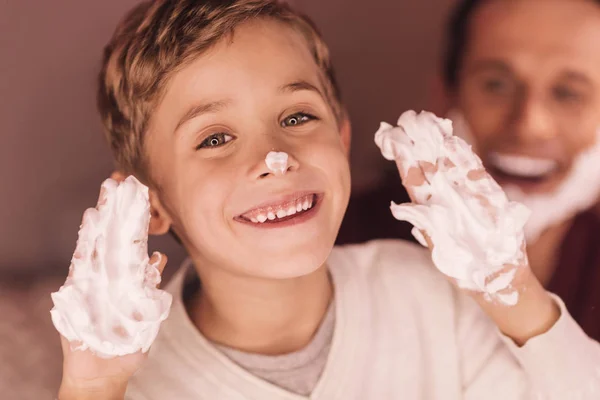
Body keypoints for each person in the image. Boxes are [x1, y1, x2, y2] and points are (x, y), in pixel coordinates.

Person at [57, 1, 600, 399]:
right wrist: (93, 388)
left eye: (297, 117)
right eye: (214, 138)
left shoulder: (425, 296)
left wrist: (517, 296)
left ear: (341, 139)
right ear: (147, 203)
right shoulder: (134, 380)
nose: (275, 156)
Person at [339, 0, 600, 342]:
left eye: (568, 94)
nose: (529, 125)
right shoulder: (339, 238)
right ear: (445, 93)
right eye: (496, 85)